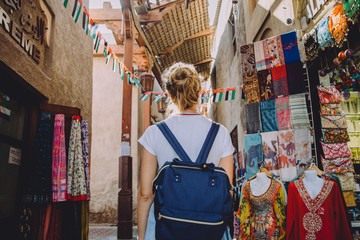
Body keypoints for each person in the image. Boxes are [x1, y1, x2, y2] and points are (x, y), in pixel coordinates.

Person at [137, 62, 235, 240]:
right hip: (210, 229)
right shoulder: (220, 133)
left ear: (169, 95)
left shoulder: (154, 133)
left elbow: (145, 194)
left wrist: (142, 237)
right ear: (199, 92)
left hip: (165, 228)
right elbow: (226, 191)